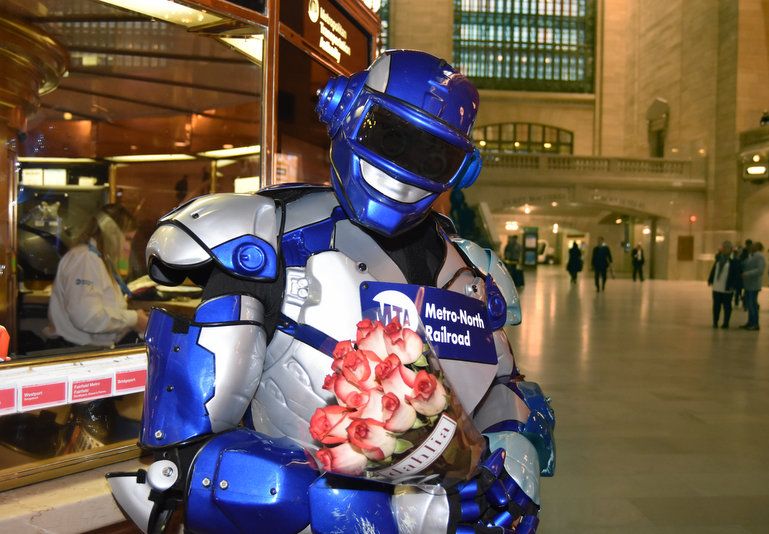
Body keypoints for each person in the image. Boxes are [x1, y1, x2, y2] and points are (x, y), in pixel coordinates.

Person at [108, 50, 553, 534]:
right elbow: (180, 464)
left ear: (458, 170)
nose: (403, 168)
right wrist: (395, 512)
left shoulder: (469, 270)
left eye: (432, 154)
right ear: (346, 110)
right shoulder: (265, 236)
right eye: (389, 135)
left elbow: (507, 393)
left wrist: (511, 472)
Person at [46, 204, 148, 347]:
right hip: (75, 352)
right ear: (110, 233)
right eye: (127, 238)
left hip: (89, 350)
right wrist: (134, 319)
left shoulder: (97, 259)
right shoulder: (85, 260)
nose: (128, 247)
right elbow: (88, 318)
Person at [707, 240, 742, 329]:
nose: (725, 249)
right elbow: (714, 269)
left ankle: (726, 322)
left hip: (727, 287)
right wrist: (710, 279)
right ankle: (715, 322)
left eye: (727, 248)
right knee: (716, 306)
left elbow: (736, 275)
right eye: (724, 247)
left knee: (727, 306)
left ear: (730, 249)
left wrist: (733, 285)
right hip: (717, 286)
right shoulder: (719, 258)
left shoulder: (734, 260)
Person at [740, 241, 765, 330]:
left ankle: (755, 324)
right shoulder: (752, 256)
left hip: (753, 285)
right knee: (750, 304)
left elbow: (760, 270)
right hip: (749, 284)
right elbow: (744, 264)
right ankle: (750, 322)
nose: (751, 247)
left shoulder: (759, 256)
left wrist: (746, 274)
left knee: (752, 304)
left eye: (753, 245)